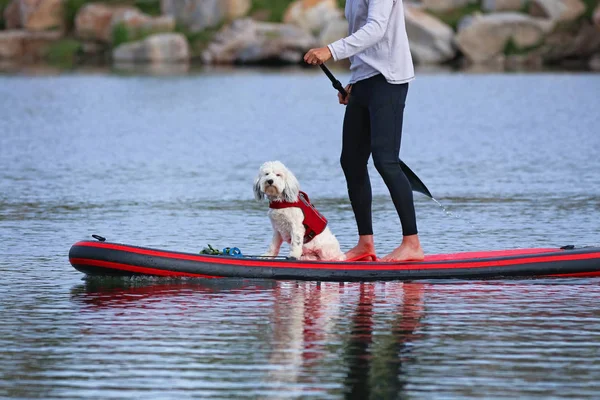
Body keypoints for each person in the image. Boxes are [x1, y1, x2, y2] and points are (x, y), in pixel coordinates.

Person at [303, 0, 424, 262]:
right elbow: (362, 38)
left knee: (385, 160)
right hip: (365, 80)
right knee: (352, 161)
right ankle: (365, 244)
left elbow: (376, 29)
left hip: (389, 80)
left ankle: (412, 243)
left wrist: (331, 50)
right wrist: (354, 82)